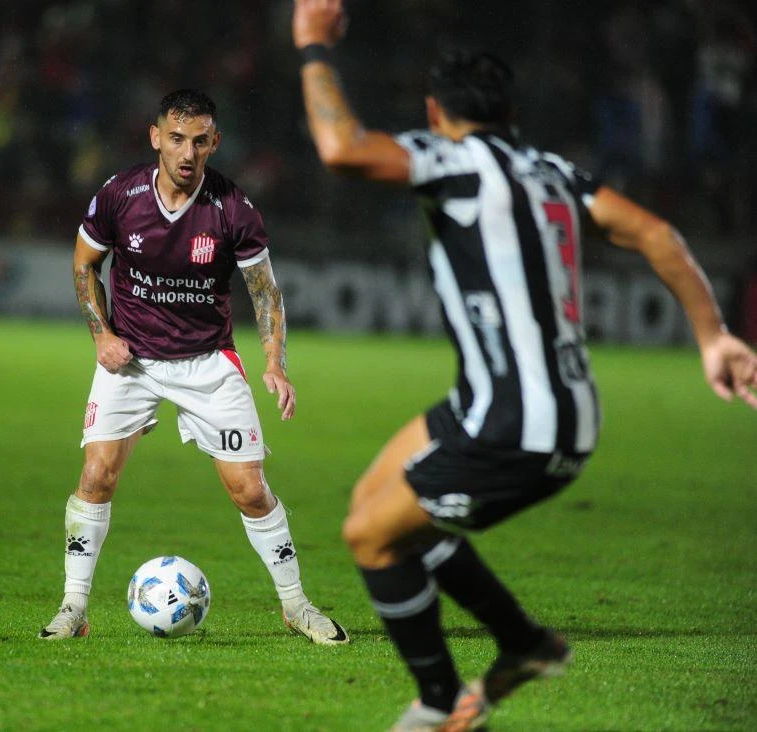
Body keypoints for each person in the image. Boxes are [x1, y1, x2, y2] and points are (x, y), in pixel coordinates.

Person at [291, 1, 757, 730]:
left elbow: (340, 147)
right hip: (511, 407)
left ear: (435, 112)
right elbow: (659, 234)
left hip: (518, 427)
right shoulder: (556, 172)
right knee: (373, 502)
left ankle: (443, 704)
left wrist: (313, 44)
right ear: (509, 112)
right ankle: (526, 645)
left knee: (371, 538)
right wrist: (713, 336)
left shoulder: (451, 159)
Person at [38, 89, 350, 646]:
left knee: (250, 490)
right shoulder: (119, 195)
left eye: (200, 141)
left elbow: (265, 293)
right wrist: (101, 335)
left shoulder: (233, 209)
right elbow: (86, 265)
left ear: (215, 143)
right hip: (131, 360)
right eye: (177, 138)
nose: (188, 152)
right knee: (96, 475)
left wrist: (274, 364)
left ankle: (297, 607)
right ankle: (73, 607)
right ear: (155, 137)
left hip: (208, 363)